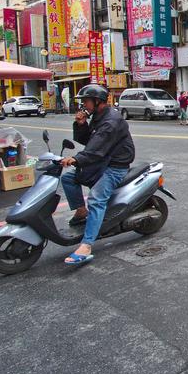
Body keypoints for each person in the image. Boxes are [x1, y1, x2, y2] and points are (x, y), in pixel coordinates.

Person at [60, 84, 135, 266]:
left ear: (98, 101)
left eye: (86, 101)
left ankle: (86, 246)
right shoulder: (98, 117)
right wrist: (81, 124)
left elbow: (95, 149)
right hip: (102, 161)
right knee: (68, 178)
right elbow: (90, 141)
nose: (84, 105)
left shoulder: (110, 121)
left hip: (115, 166)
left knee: (96, 199)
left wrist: (77, 159)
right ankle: (80, 211)